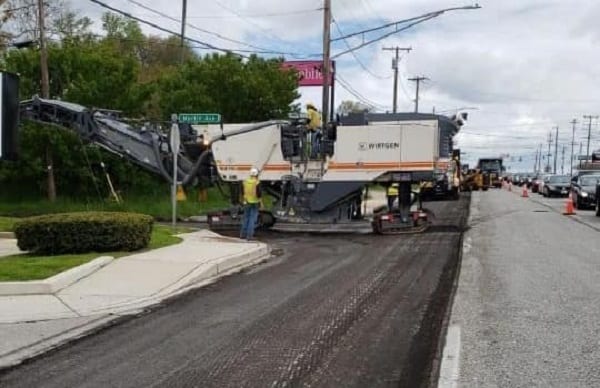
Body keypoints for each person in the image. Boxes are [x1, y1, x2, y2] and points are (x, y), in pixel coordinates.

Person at [240, 167, 262, 240]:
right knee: (252, 219)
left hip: (246, 201)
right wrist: (260, 201)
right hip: (255, 202)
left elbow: (242, 192)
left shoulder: (245, 181)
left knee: (246, 217)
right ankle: (249, 236)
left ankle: (242, 234)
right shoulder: (257, 182)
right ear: (256, 175)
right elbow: (259, 194)